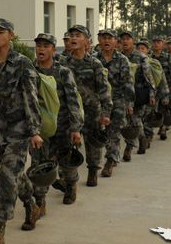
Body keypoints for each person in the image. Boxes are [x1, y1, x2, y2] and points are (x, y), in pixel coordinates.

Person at [0, 18, 43, 244]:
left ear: (11, 36)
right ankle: (31, 205)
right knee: (14, 175)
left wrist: (34, 130)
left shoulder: (23, 63)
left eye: (1, 32)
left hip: (19, 128)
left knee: (7, 175)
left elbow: (31, 96)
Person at [33, 33, 83, 206]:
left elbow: (73, 101)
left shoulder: (63, 72)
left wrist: (76, 128)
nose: (41, 49)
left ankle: (70, 185)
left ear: (54, 50)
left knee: (66, 163)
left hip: (63, 127)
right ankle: (39, 203)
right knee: (39, 166)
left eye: (46, 46)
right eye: (39, 45)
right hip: (40, 130)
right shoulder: (30, 71)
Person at [61, 25, 111, 187]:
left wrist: (105, 113)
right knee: (67, 144)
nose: (73, 38)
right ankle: (68, 178)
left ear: (87, 41)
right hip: (69, 112)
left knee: (92, 143)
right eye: (72, 35)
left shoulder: (95, 64)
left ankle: (92, 170)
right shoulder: (62, 63)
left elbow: (103, 89)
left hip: (91, 111)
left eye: (78, 35)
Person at [97, 29, 135, 178]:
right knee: (103, 132)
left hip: (118, 101)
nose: (106, 41)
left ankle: (110, 161)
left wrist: (129, 104)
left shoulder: (122, 60)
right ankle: (109, 156)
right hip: (100, 103)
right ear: (99, 40)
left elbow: (128, 83)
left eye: (109, 38)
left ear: (115, 42)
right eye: (103, 38)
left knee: (114, 132)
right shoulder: (94, 59)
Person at [118, 30, 156, 160]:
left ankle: (129, 148)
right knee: (126, 121)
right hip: (123, 94)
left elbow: (149, 77)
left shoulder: (141, 57)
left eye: (128, 39)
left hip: (138, 93)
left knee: (134, 119)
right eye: (123, 39)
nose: (125, 41)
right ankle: (142, 137)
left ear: (133, 41)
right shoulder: (118, 56)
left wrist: (151, 94)